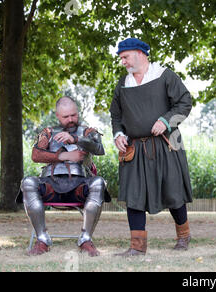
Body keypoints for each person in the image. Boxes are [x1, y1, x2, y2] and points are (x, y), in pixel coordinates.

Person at [110, 38, 193, 256]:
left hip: (167, 144)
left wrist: (166, 121)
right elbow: (116, 115)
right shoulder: (122, 84)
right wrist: (118, 134)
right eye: (121, 58)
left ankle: (184, 236)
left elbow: (185, 102)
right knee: (134, 196)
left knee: (173, 192)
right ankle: (137, 247)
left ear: (139, 53)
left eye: (125, 57)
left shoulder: (165, 76)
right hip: (135, 148)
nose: (123, 62)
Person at [16, 96, 111, 256]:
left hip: (80, 186)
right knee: (28, 182)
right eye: (66, 117)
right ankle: (42, 239)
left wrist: (75, 139)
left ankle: (86, 239)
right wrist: (62, 157)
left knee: (99, 182)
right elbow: (36, 155)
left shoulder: (88, 132)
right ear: (58, 116)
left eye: (73, 115)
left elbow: (99, 148)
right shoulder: (48, 132)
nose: (71, 119)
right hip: (50, 185)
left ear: (77, 113)